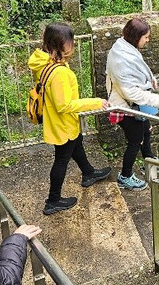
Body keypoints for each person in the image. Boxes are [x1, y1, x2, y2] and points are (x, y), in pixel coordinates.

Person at [28, 22, 110, 216]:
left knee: (77, 143)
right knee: (62, 159)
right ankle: (53, 200)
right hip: (62, 123)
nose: (72, 44)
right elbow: (64, 105)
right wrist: (95, 102)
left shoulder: (46, 62)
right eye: (69, 41)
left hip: (61, 121)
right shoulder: (59, 73)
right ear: (60, 44)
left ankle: (88, 172)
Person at [106, 17, 159, 190]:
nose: (148, 40)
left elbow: (136, 71)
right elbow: (130, 91)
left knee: (146, 130)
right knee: (135, 141)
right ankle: (125, 176)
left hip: (133, 105)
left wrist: (150, 80)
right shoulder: (122, 59)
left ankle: (148, 160)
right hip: (125, 107)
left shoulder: (124, 48)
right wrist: (158, 100)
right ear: (136, 37)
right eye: (146, 37)